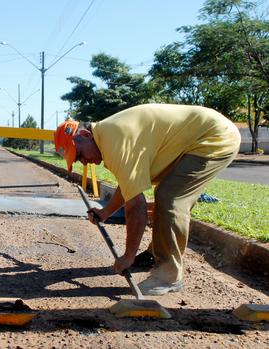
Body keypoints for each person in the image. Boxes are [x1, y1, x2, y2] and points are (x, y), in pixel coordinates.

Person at [54, 104, 241, 295]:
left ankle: (169, 276)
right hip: (196, 138)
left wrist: (128, 256)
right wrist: (105, 212)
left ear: (85, 135)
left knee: (170, 198)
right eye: (78, 160)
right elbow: (129, 186)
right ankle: (155, 255)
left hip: (214, 138)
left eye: (80, 155)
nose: (84, 162)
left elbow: (136, 207)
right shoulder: (107, 137)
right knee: (166, 195)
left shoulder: (115, 141)